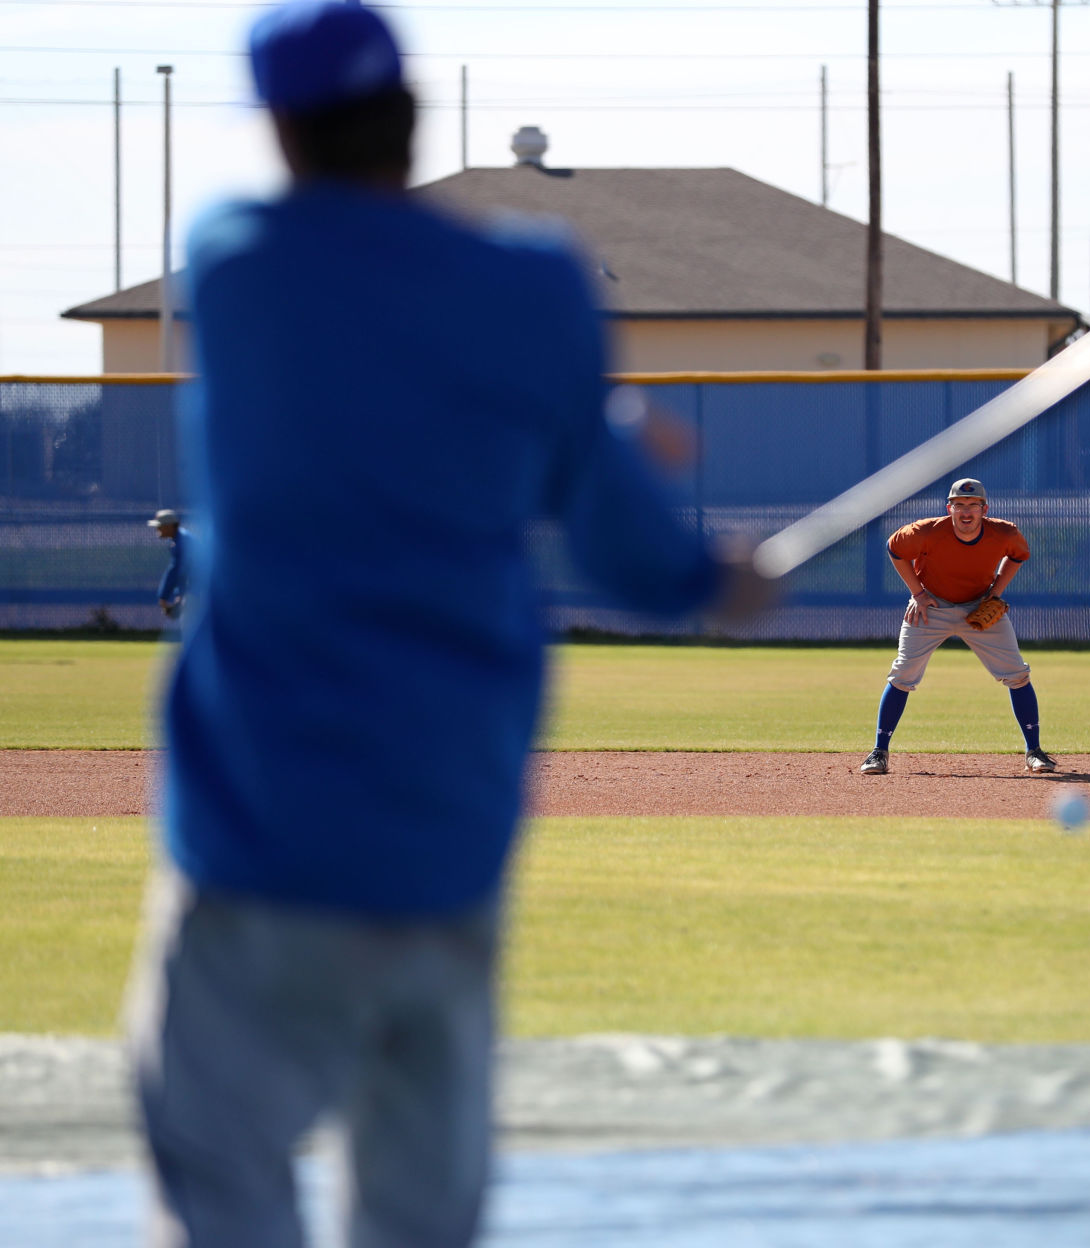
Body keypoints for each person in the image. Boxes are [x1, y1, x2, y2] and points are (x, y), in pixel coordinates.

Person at [124, 4, 766, 1246]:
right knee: (419, 1218)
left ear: (283, 131)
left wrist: (572, 424)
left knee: (220, 1192)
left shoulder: (233, 255)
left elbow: (380, 388)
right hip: (444, 837)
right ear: (412, 116)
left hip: (258, 836)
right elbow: (629, 552)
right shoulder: (538, 288)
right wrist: (713, 575)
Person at [860, 478, 1056, 776]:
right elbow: (895, 549)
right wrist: (918, 593)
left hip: (979, 608)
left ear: (984, 509)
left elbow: (1018, 555)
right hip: (932, 607)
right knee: (902, 674)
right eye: (959, 505)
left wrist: (996, 592)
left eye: (973, 506)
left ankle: (1035, 752)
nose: (966, 512)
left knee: (1017, 674)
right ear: (949, 508)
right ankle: (879, 752)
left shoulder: (1004, 532)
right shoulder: (926, 531)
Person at [146, 508, 191, 619]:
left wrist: (182, 595)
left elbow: (183, 571)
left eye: (160, 525)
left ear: (169, 526)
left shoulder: (182, 543)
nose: (157, 528)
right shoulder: (177, 540)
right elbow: (176, 570)